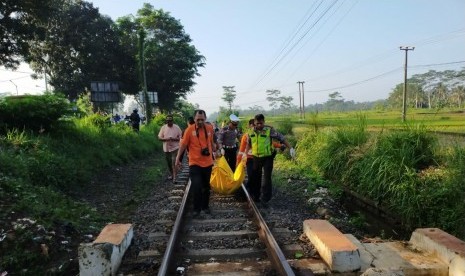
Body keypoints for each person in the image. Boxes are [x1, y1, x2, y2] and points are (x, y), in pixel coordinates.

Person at [244, 113, 295, 206]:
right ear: (254, 122)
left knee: (267, 178)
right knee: (256, 177)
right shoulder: (250, 132)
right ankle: (256, 196)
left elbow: (281, 138)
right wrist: (245, 153)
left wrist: (290, 148)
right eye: (257, 123)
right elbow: (248, 143)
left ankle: (265, 198)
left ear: (264, 122)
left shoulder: (269, 130)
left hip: (268, 157)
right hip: (256, 157)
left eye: (261, 123)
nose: (259, 125)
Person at [175, 109, 217, 217]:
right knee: (196, 185)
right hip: (194, 162)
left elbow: (212, 142)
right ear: (194, 119)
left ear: (205, 119)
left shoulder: (210, 128)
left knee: (206, 186)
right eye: (198, 120)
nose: (200, 122)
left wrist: (215, 149)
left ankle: (205, 206)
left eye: (202, 120)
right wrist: (178, 158)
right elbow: (183, 145)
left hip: (208, 162)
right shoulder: (189, 130)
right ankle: (196, 209)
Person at [158, 115, 183, 183]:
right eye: (168, 120)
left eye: (170, 120)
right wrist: (166, 139)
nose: (169, 122)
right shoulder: (163, 128)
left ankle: (175, 178)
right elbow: (159, 138)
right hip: (166, 148)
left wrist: (173, 139)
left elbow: (181, 137)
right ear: (166, 121)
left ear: (172, 120)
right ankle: (172, 175)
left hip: (175, 148)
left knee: (174, 162)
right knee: (169, 163)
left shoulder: (177, 127)